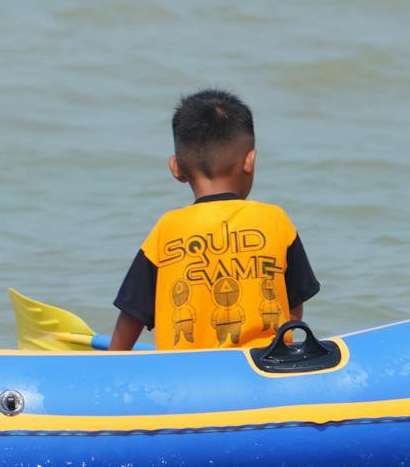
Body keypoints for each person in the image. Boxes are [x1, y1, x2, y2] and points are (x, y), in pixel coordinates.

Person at [109, 89, 320, 351]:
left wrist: (110, 370)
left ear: (176, 168)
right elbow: (293, 309)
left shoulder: (167, 229)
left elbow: (130, 317)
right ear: (250, 161)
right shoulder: (276, 220)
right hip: (264, 369)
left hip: (188, 375)